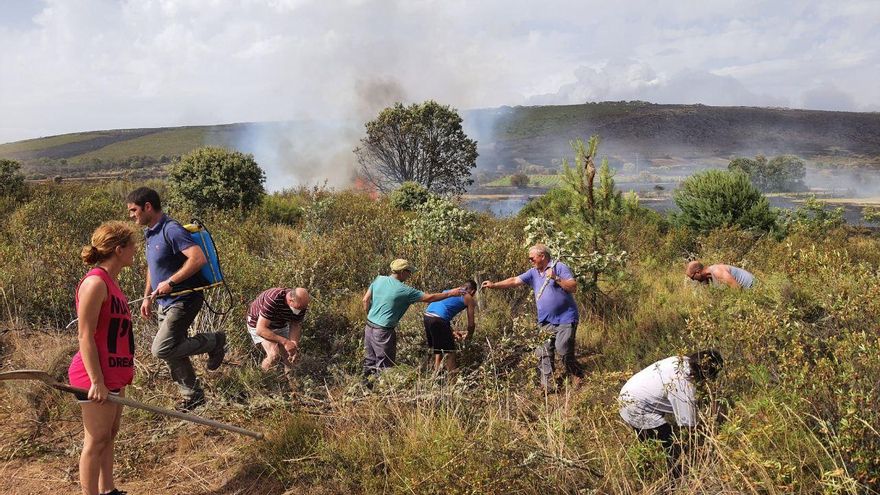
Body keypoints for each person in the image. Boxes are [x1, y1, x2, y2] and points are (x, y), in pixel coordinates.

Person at [126, 187, 225, 411]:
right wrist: (146, 297)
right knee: (172, 350)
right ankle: (193, 397)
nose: (131, 215)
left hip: (184, 299)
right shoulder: (150, 232)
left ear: (147, 207)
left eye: (134, 210)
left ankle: (215, 341)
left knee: (161, 348)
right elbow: (153, 267)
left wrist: (170, 283)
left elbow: (197, 259)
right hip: (164, 301)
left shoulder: (171, 229)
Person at [68, 221, 138, 495]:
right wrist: (96, 381)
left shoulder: (112, 282)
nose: (135, 251)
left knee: (109, 435)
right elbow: (84, 335)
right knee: (96, 440)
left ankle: (108, 490)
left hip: (112, 372)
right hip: (92, 375)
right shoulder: (95, 282)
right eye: (132, 246)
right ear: (119, 249)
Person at [481, 244, 584, 389]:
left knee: (563, 349)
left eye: (532, 258)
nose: (530, 261)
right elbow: (514, 280)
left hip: (566, 318)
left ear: (542, 256)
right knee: (543, 351)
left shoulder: (559, 267)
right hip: (546, 320)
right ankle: (547, 385)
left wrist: (555, 277)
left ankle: (577, 373)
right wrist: (494, 285)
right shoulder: (533, 273)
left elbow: (573, 287)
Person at [618, 349, 724, 477]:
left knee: (649, 446)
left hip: (629, 394)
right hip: (636, 408)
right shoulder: (684, 385)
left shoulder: (681, 360)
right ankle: (674, 480)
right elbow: (689, 425)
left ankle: (647, 474)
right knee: (672, 448)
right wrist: (707, 437)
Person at [361, 259, 466, 379]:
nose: (410, 274)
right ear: (401, 272)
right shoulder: (405, 291)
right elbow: (429, 297)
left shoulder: (379, 279)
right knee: (384, 366)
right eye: (409, 271)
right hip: (383, 331)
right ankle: (382, 392)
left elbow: (365, 300)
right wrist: (450, 293)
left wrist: (371, 316)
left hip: (369, 326)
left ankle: (365, 387)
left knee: (369, 362)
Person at [247, 287, 310, 372]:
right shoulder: (273, 298)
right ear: (290, 300)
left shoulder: (300, 304)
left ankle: (292, 381)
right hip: (258, 323)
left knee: (291, 357)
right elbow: (260, 329)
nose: (300, 311)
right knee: (274, 355)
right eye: (298, 308)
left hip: (280, 324)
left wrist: (293, 345)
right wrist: (285, 342)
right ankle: (262, 380)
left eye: (302, 308)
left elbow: (295, 325)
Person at [422, 280, 477, 373]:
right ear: (473, 291)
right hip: (439, 319)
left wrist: (451, 332)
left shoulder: (448, 291)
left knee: (438, 348)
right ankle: (452, 382)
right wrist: (469, 336)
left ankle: (436, 375)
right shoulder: (468, 297)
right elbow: (471, 324)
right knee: (450, 352)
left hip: (427, 316)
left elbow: (442, 310)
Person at [686, 261, 754, 289]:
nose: (693, 280)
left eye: (692, 277)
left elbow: (737, 288)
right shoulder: (708, 277)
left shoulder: (717, 272)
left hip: (753, 286)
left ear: (698, 272)